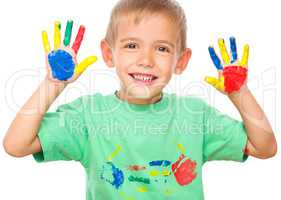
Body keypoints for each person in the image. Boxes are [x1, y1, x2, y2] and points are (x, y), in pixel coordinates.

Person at [3, 0, 277, 199]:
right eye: (131, 45)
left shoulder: (195, 115)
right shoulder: (88, 115)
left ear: (180, 61)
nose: (146, 61)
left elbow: (264, 148)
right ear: (109, 54)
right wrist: (53, 84)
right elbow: (16, 145)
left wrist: (239, 92)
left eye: (161, 48)